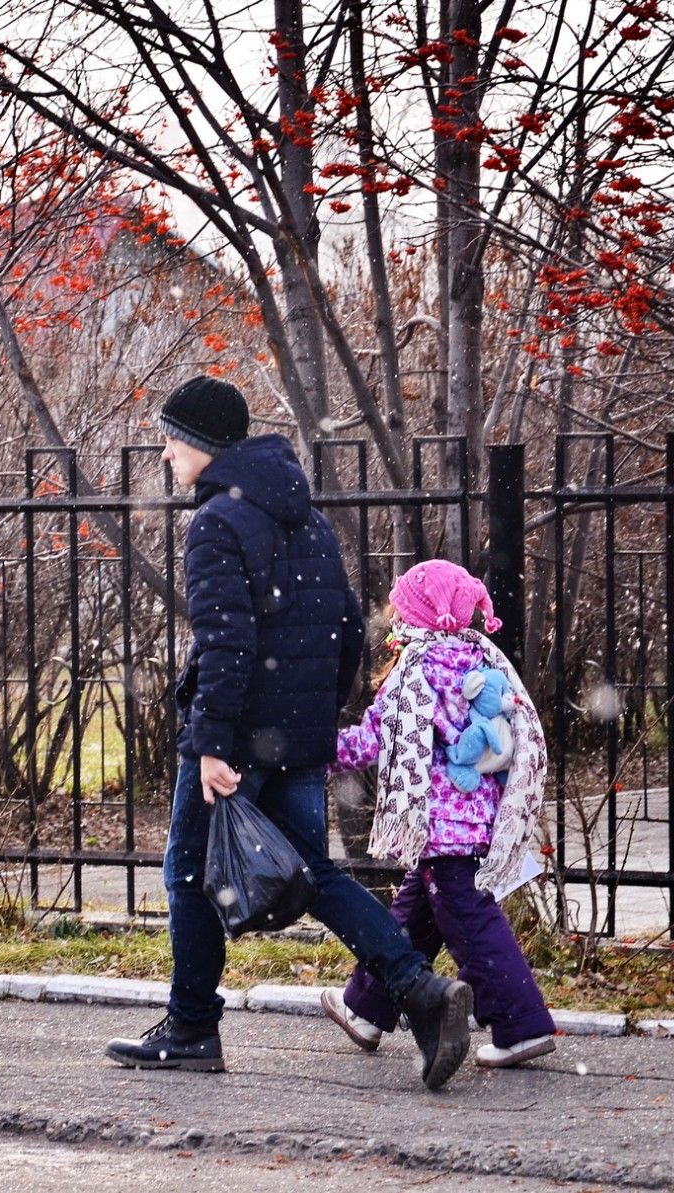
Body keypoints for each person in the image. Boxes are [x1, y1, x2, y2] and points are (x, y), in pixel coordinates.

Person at [104, 375, 475, 1092]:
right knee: (316, 874)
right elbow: (343, 626)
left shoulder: (216, 522)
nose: (164, 454)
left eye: (171, 440)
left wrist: (212, 742)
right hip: (298, 733)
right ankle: (421, 991)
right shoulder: (304, 514)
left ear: (202, 444)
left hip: (238, 735)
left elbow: (227, 640)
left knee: (188, 873)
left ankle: (190, 1027)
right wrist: (315, 717)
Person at [320, 561, 557, 1069]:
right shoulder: (480, 658)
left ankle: (521, 1025)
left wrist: (313, 749)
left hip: (442, 828)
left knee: (471, 923)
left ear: (419, 617)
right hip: (477, 819)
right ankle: (366, 1007)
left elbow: (372, 742)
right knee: (416, 915)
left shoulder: (416, 671)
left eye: (402, 611)